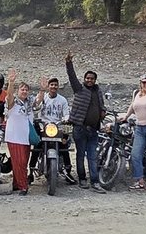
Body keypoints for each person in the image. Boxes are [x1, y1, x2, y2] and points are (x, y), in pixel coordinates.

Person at [63, 53, 106, 189]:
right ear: (84, 79)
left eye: (91, 78)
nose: (89, 80)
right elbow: (72, 77)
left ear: (95, 80)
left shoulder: (98, 91)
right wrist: (69, 63)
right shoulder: (79, 89)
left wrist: (102, 111)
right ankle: (82, 179)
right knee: (80, 155)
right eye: (87, 78)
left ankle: (94, 181)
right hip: (80, 128)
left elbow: (101, 104)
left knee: (92, 156)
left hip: (93, 129)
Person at [2, 72, 34, 194]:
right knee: (19, 162)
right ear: (18, 91)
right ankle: (23, 186)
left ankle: (16, 183)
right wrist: (11, 82)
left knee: (21, 162)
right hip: (15, 137)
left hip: (25, 138)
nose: (24, 91)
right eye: (22, 89)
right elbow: (9, 95)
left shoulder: (29, 104)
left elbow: (39, 101)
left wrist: (42, 89)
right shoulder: (12, 103)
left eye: (26, 90)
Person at [37, 76, 71, 180]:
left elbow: (66, 114)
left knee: (64, 145)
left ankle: (68, 170)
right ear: (48, 86)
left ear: (58, 86)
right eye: (51, 84)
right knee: (37, 145)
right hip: (45, 126)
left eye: (56, 85)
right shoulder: (43, 98)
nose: (54, 86)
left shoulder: (63, 100)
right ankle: (31, 169)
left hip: (58, 127)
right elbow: (36, 107)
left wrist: (66, 120)